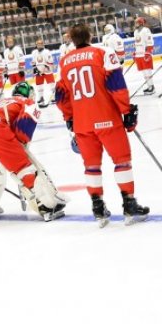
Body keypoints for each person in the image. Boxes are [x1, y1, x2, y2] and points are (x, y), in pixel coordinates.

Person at [55, 24, 149, 227]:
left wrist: (70, 118)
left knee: (91, 167)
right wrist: (126, 111)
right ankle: (129, 205)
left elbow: (61, 96)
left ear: (71, 39)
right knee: (122, 162)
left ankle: (97, 208)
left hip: (82, 123)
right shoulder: (103, 53)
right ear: (90, 35)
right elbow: (116, 86)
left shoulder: (64, 62)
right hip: (107, 119)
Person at [0, 82, 65, 222]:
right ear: (29, 94)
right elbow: (23, 133)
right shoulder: (28, 102)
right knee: (24, 168)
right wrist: (17, 150)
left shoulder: (2, 101)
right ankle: (46, 206)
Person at [133, 17, 155, 95]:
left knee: (147, 71)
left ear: (141, 23)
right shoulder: (135, 32)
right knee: (144, 72)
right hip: (139, 55)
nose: (135, 24)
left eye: (137, 23)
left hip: (145, 54)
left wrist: (148, 52)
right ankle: (149, 86)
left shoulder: (146, 30)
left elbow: (150, 42)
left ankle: (152, 86)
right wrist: (135, 52)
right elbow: (136, 43)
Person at [30, 39, 55, 108]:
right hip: (39, 71)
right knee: (39, 86)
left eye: (41, 44)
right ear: (36, 45)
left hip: (47, 71)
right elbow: (34, 62)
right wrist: (34, 70)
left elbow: (50, 62)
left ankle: (54, 97)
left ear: (43, 44)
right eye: (38, 44)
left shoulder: (47, 52)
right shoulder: (34, 52)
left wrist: (44, 70)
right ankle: (41, 97)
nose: (39, 45)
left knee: (52, 85)